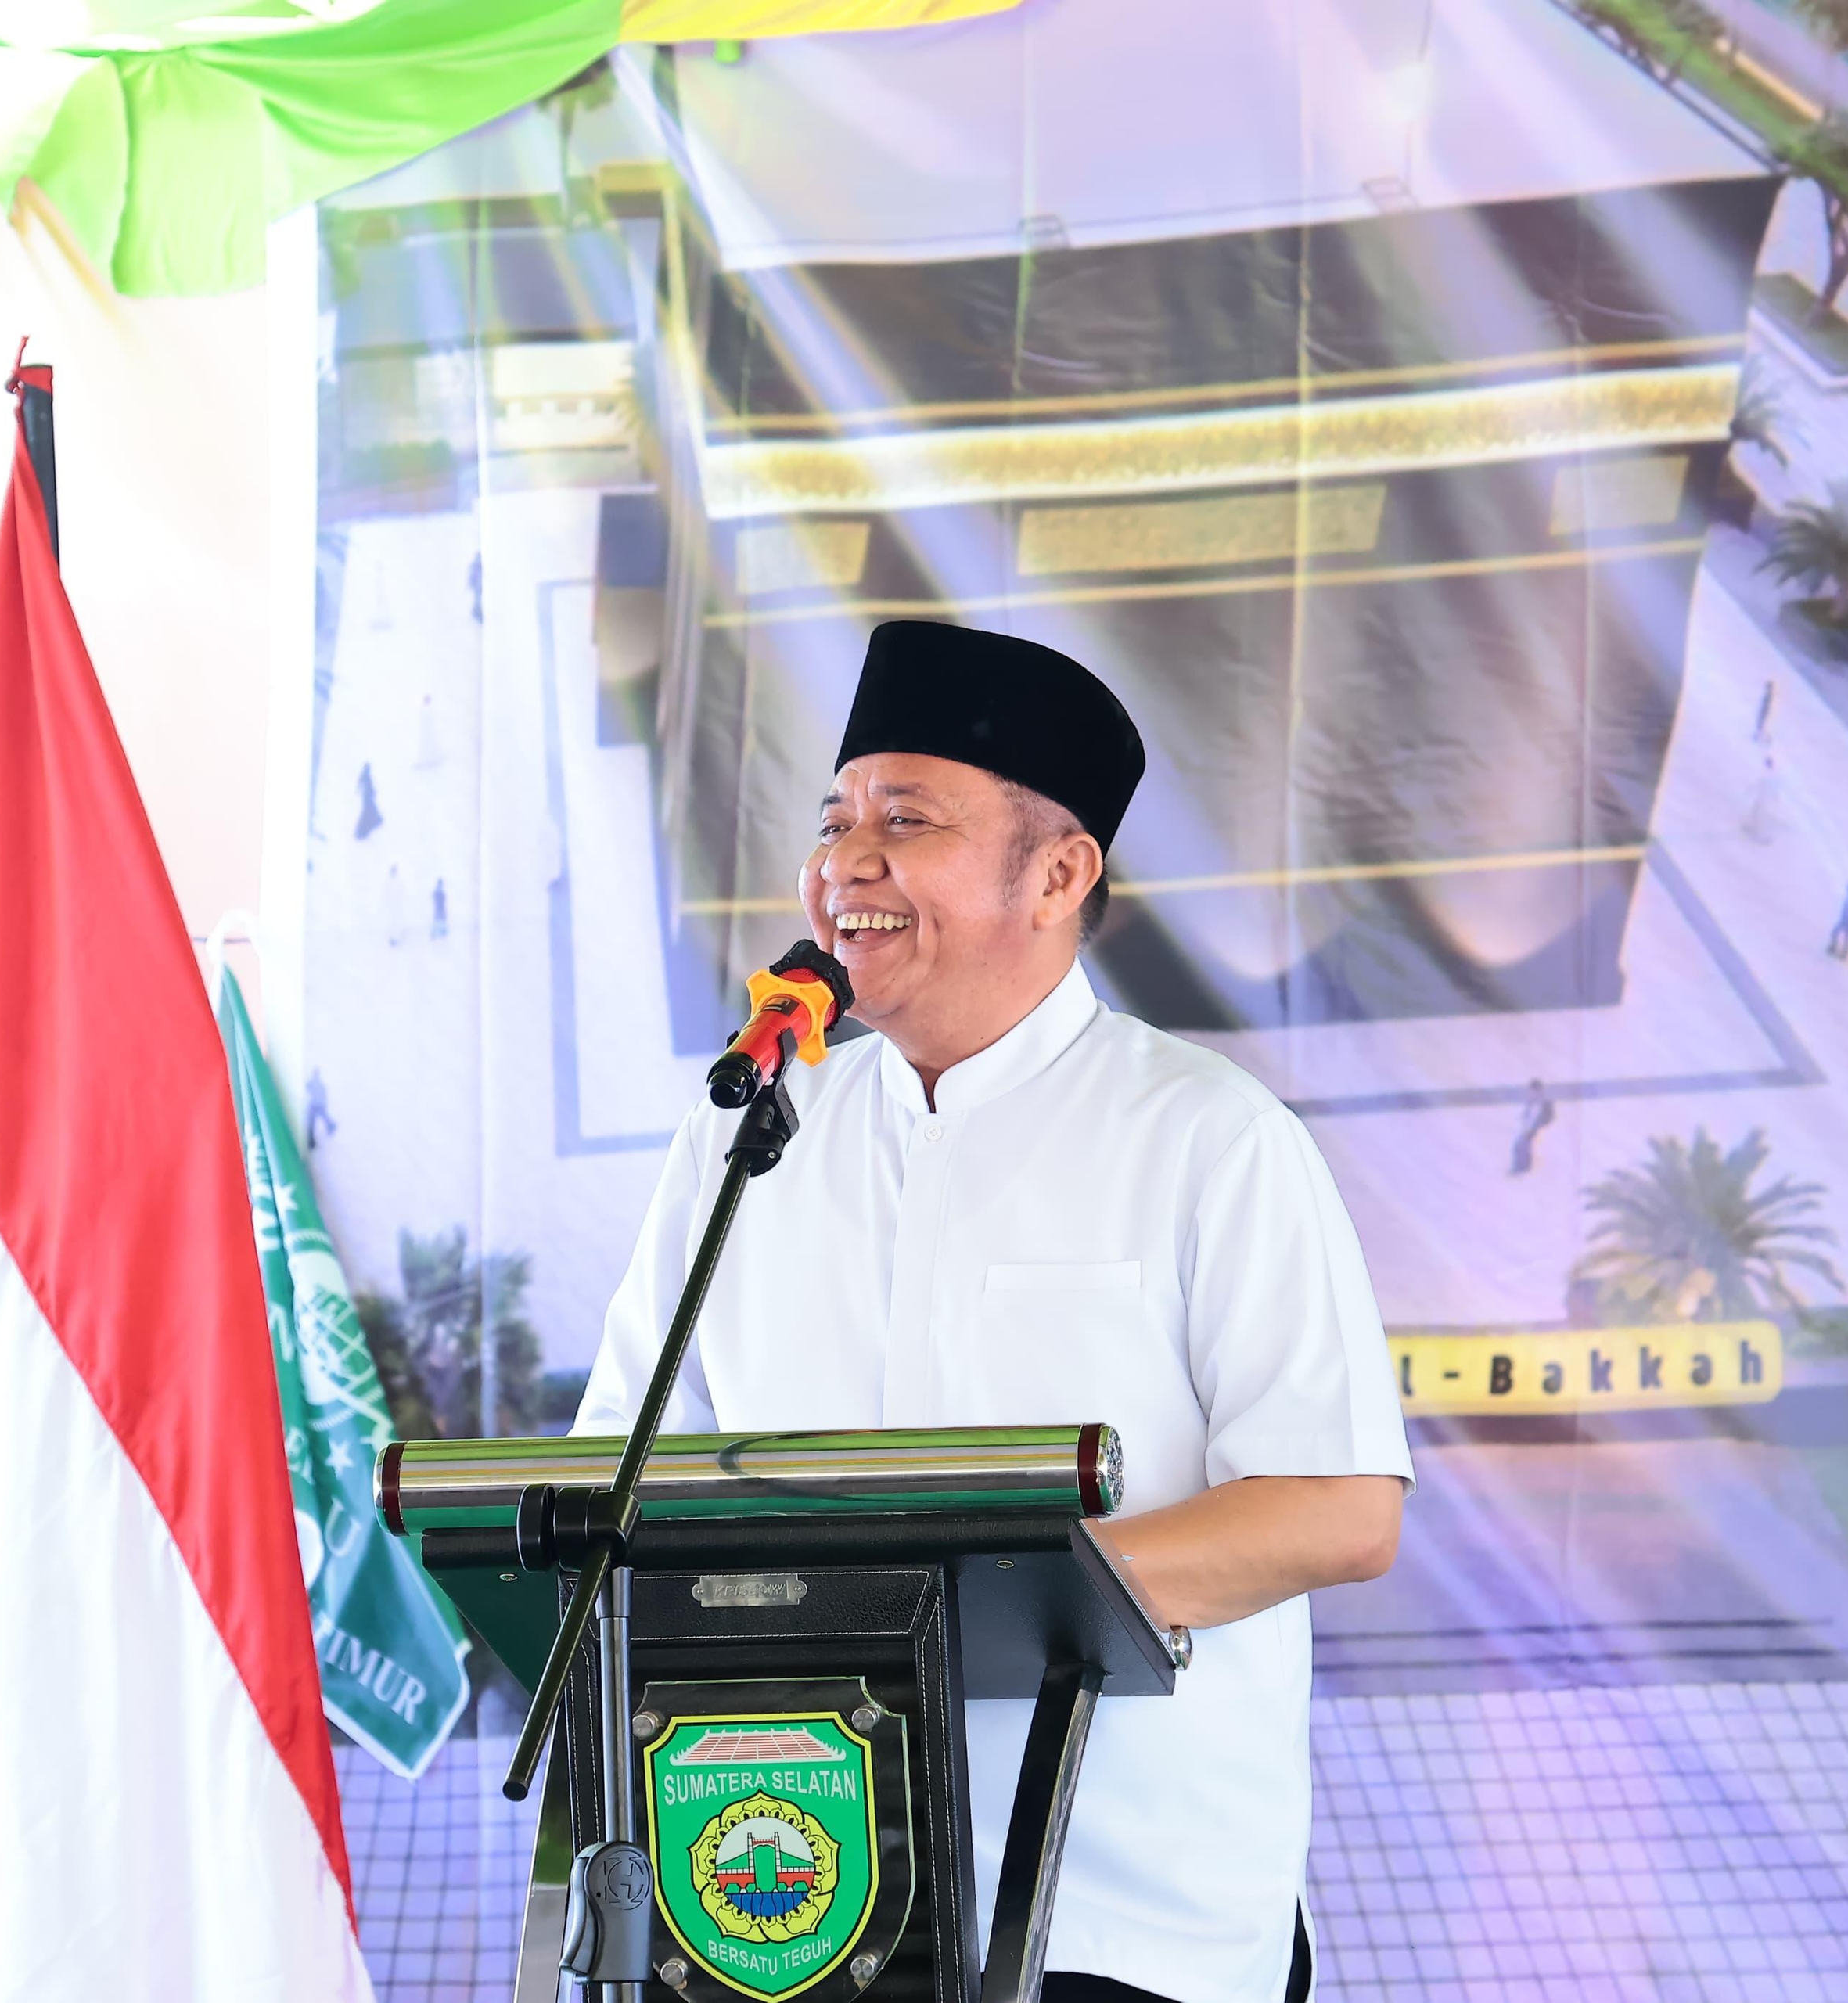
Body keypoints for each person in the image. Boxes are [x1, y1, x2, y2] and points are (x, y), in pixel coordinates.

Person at [578, 620, 1411, 2003]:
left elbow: (1336, 1505)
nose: (847, 864)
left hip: (1121, 1919)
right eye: (836, 821)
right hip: (788, 1904)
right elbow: (623, 1473)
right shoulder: (746, 1143)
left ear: (1061, 872)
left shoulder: (1211, 1139)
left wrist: (958, 1617)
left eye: (905, 821)